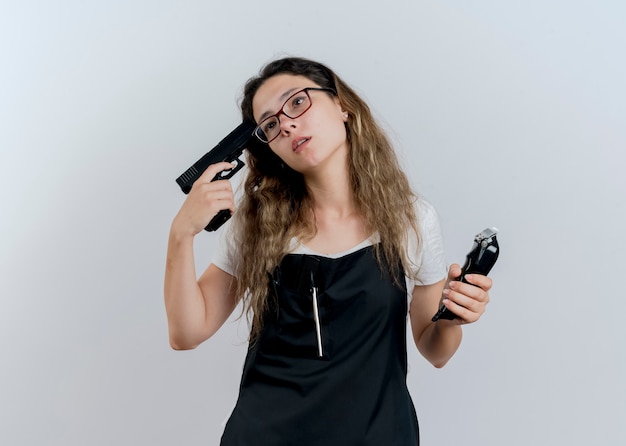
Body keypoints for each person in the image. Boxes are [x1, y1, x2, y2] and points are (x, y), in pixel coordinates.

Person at [164, 57, 493, 446]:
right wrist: (181, 233)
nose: (286, 124)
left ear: (343, 107)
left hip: (379, 434)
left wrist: (453, 319)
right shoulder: (257, 224)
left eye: (297, 103)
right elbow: (186, 333)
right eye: (271, 125)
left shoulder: (411, 219)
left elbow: (434, 349)